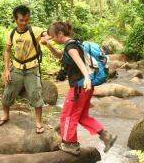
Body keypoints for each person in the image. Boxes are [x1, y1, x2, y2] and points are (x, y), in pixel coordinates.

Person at [41, 20, 117, 155]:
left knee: (67, 115)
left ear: (59, 34)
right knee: (81, 116)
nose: (52, 39)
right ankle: (106, 137)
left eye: (52, 37)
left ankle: (70, 144)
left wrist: (87, 78)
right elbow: (60, 55)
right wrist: (49, 46)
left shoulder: (71, 47)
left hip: (79, 87)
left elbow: (80, 63)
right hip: (84, 87)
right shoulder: (72, 44)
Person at [0, 5, 47, 134]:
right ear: (15, 19)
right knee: (8, 93)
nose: (24, 23)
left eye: (26, 20)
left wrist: (46, 37)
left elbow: (45, 33)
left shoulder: (34, 31)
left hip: (32, 68)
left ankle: (38, 123)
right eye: (21, 20)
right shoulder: (11, 33)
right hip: (16, 68)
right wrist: (6, 70)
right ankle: (6, 115)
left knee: (35, 94)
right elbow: (7, 51)